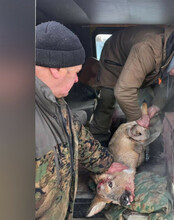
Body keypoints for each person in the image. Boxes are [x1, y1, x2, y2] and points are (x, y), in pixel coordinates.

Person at [35, 21, 114, 219]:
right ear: (57, 69)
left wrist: (106, 164)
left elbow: (76, 133)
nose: (78, 79)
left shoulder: (56, 102)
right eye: (75, 72)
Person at [89, 25, 174, 143]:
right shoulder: (147, 50)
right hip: (115, 57)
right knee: (107, 99)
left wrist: (156, 106)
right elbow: (123, 91)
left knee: (144, 100)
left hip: (138, 60)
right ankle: (98, 141)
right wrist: (138, 118)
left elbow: (170, 82)